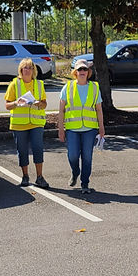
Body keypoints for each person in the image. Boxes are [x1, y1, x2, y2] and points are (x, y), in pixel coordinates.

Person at [57, 59, 105, 194]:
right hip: (73, 129)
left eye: (85, 69)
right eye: (80, 70)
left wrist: (101, 128)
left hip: (89, 129)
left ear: (88, 72)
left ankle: (85, 184)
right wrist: (61, 129)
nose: (82, 72)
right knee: (72, 156)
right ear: (75, 72)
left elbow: (99, 109)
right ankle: (75, 172)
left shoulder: (94, 87)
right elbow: (61, 110)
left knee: (87, 157)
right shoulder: (68, 87)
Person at [4, 58, 49, 188]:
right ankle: (25, 176)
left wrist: (39, 103)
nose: (28, 70)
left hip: (36, 123)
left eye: (30, 68)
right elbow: (7, 105)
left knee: (38, 149)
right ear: (21, 70)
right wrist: (16, 103)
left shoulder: (39, 84)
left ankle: (40, 177)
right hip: (19, 124)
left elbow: (44, 104)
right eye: (25, 68)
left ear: (33, 70)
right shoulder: (14, 85)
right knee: (22, 150)